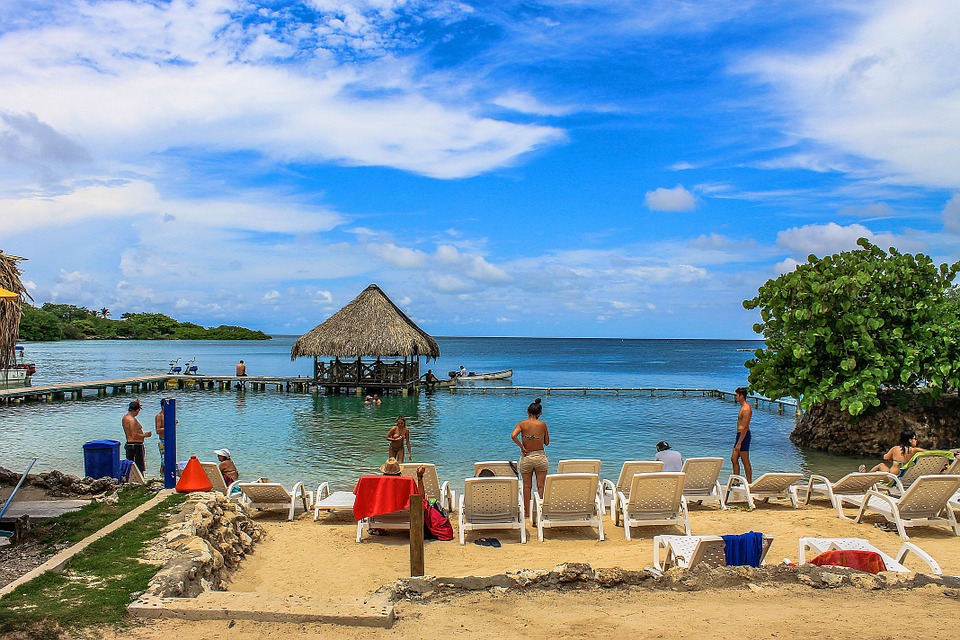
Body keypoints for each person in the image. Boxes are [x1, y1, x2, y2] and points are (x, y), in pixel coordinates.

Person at [511, 397, 550, 509]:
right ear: (540, 413)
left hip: (527, 456)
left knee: (527, 486)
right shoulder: (543, 425)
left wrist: (522, 446)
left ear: (527, 412)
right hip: (540, 457)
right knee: (541, 486)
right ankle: (540, 510)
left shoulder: (522, 424)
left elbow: (513, 436)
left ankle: (527, 511)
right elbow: (547, 443)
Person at [860, 429, 924, 475]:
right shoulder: (915, 450)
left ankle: (866, 476)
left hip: (893, 478)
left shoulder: (895, 449)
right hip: (908, 477)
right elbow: (930, 452)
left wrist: (894, 459)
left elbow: (885, 457)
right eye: (915, 439)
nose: (916, 440)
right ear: (910, 440)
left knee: (881, 465)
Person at [122, 399, 151, 474]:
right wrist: (146, 435)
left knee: (130, 466)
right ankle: (140, 481)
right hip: (136, 445)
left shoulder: (125, 417)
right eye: (138, 410)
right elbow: (134, 435)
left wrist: (136, 403)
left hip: (129, 444)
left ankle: (130, 480)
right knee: (139, 467)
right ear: (136, 410)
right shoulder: (132, 420)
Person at [732, 387, 753, 483]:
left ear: (741, 396)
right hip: (739, 435)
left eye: (736, 395)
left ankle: (749, 483)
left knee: (745, 460)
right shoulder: (742, 407)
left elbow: (745, 427)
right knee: (734, 458)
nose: (735, 397)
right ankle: (736, 480)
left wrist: (739, 442)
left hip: (743, 436)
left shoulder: (746, 409)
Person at [155, 401, 165, 476]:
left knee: (170, 460)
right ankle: (161, 477)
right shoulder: (159, 416)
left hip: (170, 440)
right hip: (163, 440)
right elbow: (158, 430)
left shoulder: (169, 415)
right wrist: (169, 425)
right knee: (163, 461)